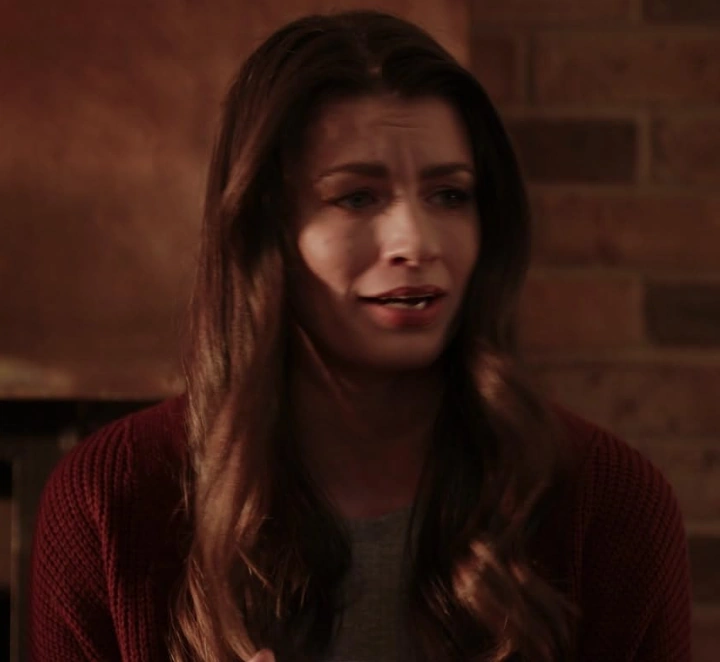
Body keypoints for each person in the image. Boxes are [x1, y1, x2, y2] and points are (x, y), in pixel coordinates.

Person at [28, 10, 691, 662]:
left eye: (449, 195)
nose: (416, 242)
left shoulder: (610, 506)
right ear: (268, 231)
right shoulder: (110, 504)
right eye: (357, 197)